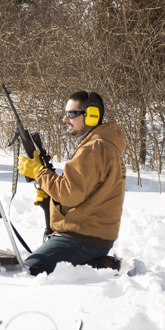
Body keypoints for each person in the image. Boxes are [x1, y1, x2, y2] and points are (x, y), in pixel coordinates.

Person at [17, 91, 126, 276]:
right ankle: (98, 263)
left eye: (72, 114)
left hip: (84, 238)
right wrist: (50, 194)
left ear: (92, 116)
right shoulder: (100, 145)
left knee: (31, 269)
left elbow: (69, 194)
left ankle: (97, 264)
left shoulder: (94, 148)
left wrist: (39, 172)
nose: (65, 119)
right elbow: (81, 190)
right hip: (90, 234)